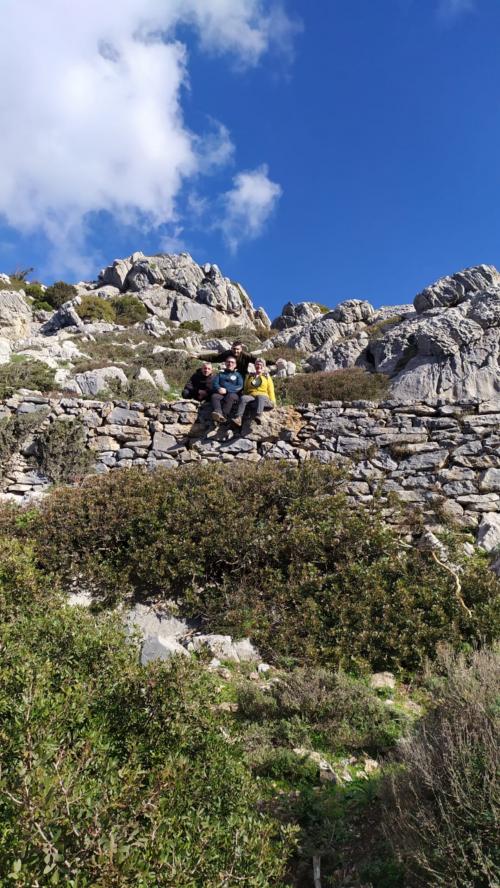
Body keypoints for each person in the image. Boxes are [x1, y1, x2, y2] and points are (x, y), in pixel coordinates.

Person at [233, 357, 275, 427]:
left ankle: (258, 416)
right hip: (252, 397)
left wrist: (273, 401)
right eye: (257, 364)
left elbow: (271, 389)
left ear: (264, 367)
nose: (259, 366)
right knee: (244, 398)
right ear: (255, 366)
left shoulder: (266, 376)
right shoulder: (250, 376)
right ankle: (238, 418)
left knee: (260, 396)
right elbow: (246, 388)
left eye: (261, 365)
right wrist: (244, 397)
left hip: (263, 398)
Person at [210, 356, 243, 423]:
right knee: (215, 396)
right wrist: (218, 388)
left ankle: (224, 416)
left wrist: (227, 390)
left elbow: (240, 386)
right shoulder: (220, 374)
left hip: (234, 395)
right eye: (228, 362)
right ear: (225, 363)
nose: (230, 364)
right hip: (222, 394)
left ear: (235, 365)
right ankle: (218, 413)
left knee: (230, 396)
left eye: (232, 362)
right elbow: (215, 384)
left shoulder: (238, 375)